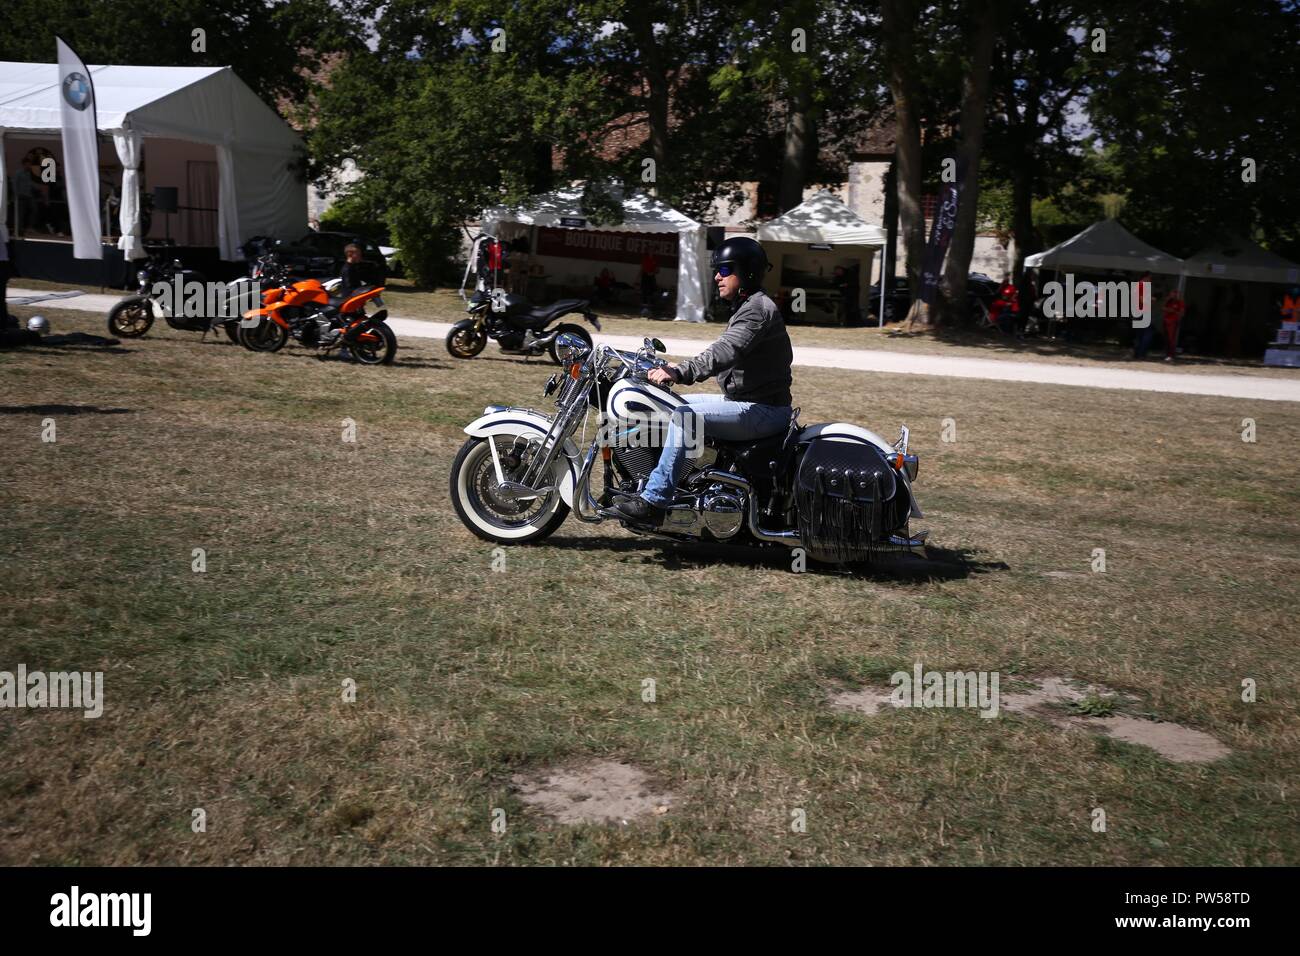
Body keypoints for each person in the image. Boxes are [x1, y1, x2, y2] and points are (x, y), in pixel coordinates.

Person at [614, 237, 793, 526]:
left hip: (764, 410)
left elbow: (724, 351)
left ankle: (655, 501)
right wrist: (666, 366)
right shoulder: (749, 305)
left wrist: (680, 372)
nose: (717, 276)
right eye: (717, 269)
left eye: (725, 269)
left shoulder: (758, 309)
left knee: (686, 417)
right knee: (674, 406)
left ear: (746, 271)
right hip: (747, 402)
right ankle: (669, 479)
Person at [1132, 271, 1155, 358]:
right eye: (1150, 278)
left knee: (1139, 334)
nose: (1150, 280)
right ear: (1146, 277)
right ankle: (1141, 353)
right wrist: (1151, 299)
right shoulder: (1142, 286)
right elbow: (1142, 300)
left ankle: (1137, 353)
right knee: (1147, 334)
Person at [1162, 288, 1186, 362]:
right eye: (1171, 293)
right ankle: (1166, 354)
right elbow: (1163, 308)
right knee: (1166, 339)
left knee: (1171, 339)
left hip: (1173, 322)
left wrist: (1174, 312)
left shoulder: (1180, 302)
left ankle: (1171, 355)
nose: (1172, 295)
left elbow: (1182, 313)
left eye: (1174, 293)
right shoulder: (1168, 301)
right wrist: (1168, 309)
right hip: (1166, 321)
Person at [639, 249, 660, 315]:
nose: (651, 252)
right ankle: (644, 309)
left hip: (652, 276)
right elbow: (642, 268)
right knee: (644, 291)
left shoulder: (655, 259)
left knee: (651, 292)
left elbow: (658, 270)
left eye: (652, 251)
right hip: (645, 276)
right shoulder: (645, 259)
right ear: (648, 252)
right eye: (650, 251)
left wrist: (653, 272)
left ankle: (650, 309)